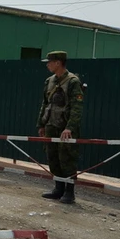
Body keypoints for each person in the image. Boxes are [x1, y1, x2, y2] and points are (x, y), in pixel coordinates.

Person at [36, 50, 84, 204]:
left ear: (58, 63)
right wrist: (41, 124)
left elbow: (77, 107)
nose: (48, 65)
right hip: (51, 125)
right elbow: (45, 104)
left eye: (50, 62)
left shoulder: (72, 81)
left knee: (67, 159)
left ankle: (69, 193)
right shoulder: (49, 81)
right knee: (53, 157)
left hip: (65, 128)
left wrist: (69, 127)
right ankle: (58, 188)